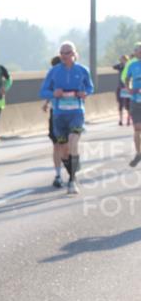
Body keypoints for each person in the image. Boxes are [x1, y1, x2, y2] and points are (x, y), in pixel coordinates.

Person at [39, 41, 94, 195]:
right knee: (63, 150)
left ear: (74, 54)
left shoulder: (82, 70)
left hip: (76, 112)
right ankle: (72, 171)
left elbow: (90, 88)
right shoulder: (54, 71)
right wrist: (53, 94)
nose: (64, 56)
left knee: (73, 142)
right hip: (59, 114)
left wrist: (85, 93)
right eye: (62, 53)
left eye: (67, 52)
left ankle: (72, 179)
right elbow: (43, 91)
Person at [42, 55, 65, 188]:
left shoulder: (72, 75)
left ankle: (71, 169)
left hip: (70, 116)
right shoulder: (53, 77)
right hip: (55, 114)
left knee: (66, 146)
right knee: (57, 145)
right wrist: (46, 103)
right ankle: (58, 175)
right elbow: (49, 91)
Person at [124, 49, 141, 167]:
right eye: (137, 52)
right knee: (137, 128)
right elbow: (126, 78)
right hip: (135, 100)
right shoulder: (133, 65)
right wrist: (129, 88)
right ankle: (139, 153)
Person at [114, 54, 132, 126]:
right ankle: (120, 120)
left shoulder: (130, 67)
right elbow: (114, 67)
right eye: (121, 60)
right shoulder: (120, 67)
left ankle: (128, 119)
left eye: (123, 59)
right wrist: (121, 64)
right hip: (120, 87)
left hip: (127, 87)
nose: (122, 61)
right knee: (120, 104)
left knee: (127, 105)